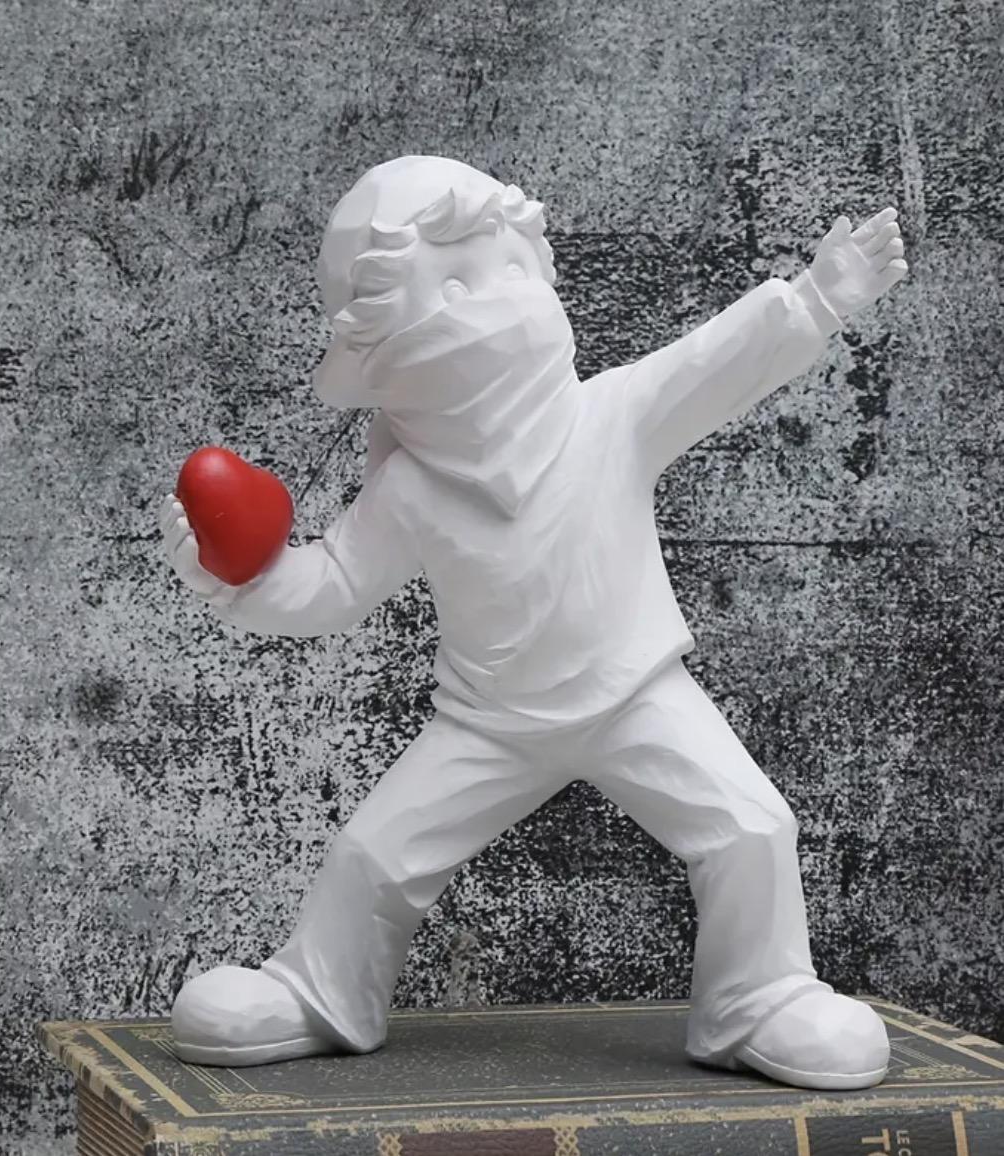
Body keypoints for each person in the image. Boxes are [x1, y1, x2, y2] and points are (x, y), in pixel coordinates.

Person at [159, 156, 908, 1089]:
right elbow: (337, 583)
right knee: (373, 853)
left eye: (516, 269)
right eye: (457, 283)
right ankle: (319, 991)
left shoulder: (612, 415)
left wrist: (817, 298)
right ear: (376, 352)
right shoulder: (411, 488)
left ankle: (759, 997)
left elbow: (716, 363)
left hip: (636, 696)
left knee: (752, 829)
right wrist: (238, 577)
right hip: (488, 721)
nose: (504, 302)